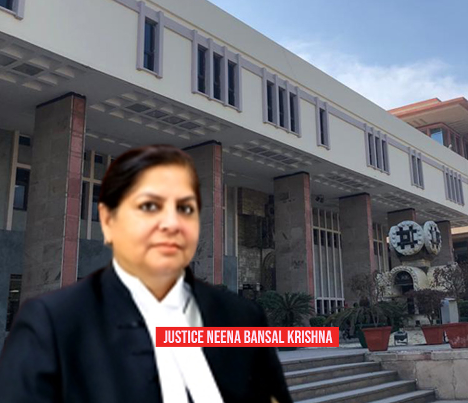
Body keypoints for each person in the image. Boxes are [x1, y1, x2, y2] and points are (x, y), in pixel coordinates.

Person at [0, 145, 292, 403]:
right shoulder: (51, 324)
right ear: (109, 220)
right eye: (149, 206)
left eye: (184, 208)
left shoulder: (242, 318)